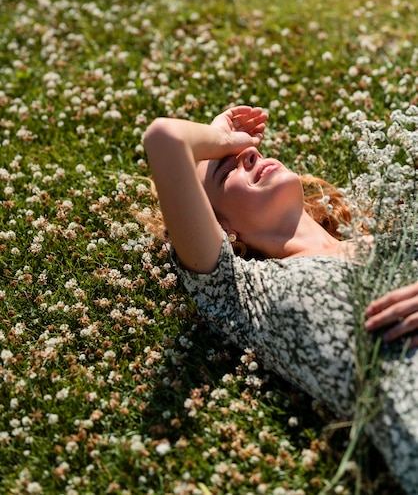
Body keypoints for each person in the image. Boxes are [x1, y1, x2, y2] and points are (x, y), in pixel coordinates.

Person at [144, 105, 418, 494]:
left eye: (250, 150)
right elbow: (164, 139)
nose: (250, 153)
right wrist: (222, 136)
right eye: (228, 169)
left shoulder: (397, 245)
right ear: (222, 226)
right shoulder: (241, 290)